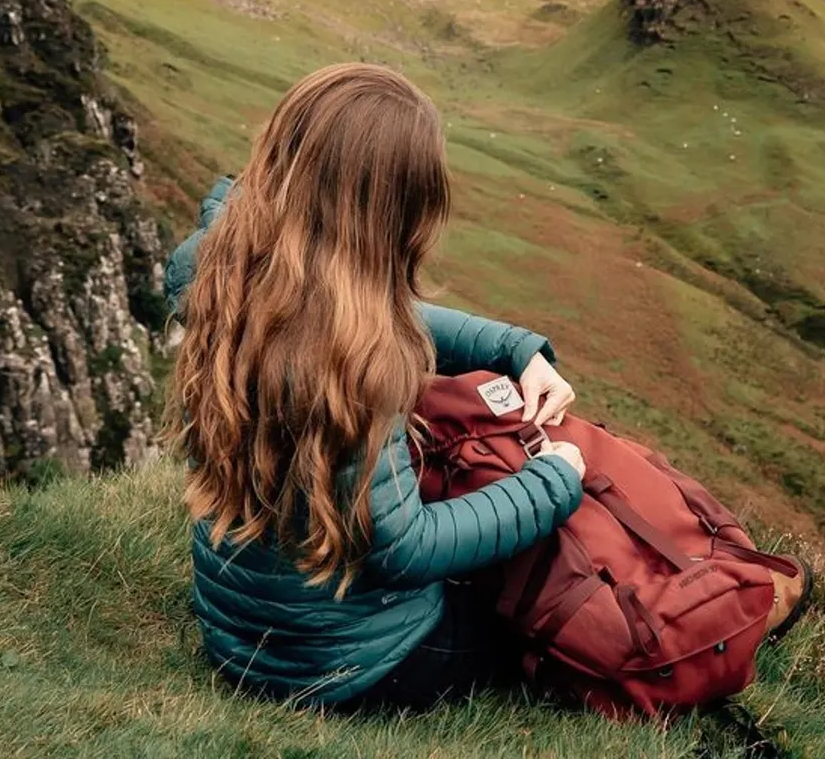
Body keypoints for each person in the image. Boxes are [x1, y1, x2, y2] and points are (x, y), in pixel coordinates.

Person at [162, 62, 587, 710]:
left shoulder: (218, 263)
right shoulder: (354, 361)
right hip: (352, 667)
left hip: (236, 635)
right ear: (391, 211)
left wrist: (510, 348)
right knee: (520, 596)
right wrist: (552, 482)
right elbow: (407, 550)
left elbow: (349, 307)